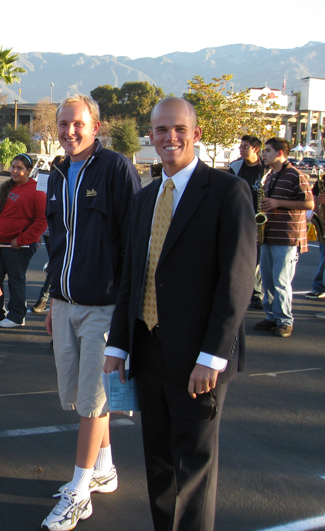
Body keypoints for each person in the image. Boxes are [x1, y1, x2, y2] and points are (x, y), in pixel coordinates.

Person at [104, 97, 254, 531]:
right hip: (148, 350)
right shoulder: (145, 197)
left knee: (193, 468)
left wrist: (212, 356)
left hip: (198, 358)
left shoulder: (227, 192)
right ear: (150, 136)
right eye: (161, 130)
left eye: (178, 129)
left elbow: (237, 281)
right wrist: (118, 345)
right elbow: (133, 275)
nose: (170, 137)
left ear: (196, 134)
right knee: (158, 463)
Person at [40, 95, 140, 531]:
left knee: (93, 402)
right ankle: (104, 468)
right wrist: (51, 298)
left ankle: (80, 491)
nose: (69, 131)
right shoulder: (57, 173)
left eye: (78, 124)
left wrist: (126, 313)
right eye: (63, 124)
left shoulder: (116, 168)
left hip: (104, 307)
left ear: (95, 127)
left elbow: (133, 241)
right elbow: (56, 242)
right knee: (80, 397)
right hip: (65, 304)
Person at [253, 137, 313, 337]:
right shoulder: (270, 176)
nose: (264, 154)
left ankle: (285, 320)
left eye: (267, 151)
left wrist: (277, 202)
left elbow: (308, 205)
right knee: (268, 281)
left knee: (281, 281)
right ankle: (271, 316)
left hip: (287, 236)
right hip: (270, 234)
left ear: (280, 153)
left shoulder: (297, 175)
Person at [0, 154, 46, 327]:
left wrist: (21, 239)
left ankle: (17, 316)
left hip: (19, 245)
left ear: (29, 171)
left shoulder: (37, 191)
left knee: (16, 280)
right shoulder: (6, 187)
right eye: (13, 166)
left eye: (20, 168)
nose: (15, 171)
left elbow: (41, 221)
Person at [228, 135, 265, 309]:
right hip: (242, 216)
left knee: (259, 258)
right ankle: (245, 291)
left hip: (262, 218)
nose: (241, 149)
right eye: (240, 147)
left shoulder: (266, 169)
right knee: (245, 256)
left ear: (255, 149)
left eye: (245, 147)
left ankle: (257, 294)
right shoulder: (235, 167)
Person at [30, 156, 62, 315]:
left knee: (56, 265)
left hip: (56, 231)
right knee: (56, 265)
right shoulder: (49, 183)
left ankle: (46, 298)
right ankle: (44, 298)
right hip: (51, 231)